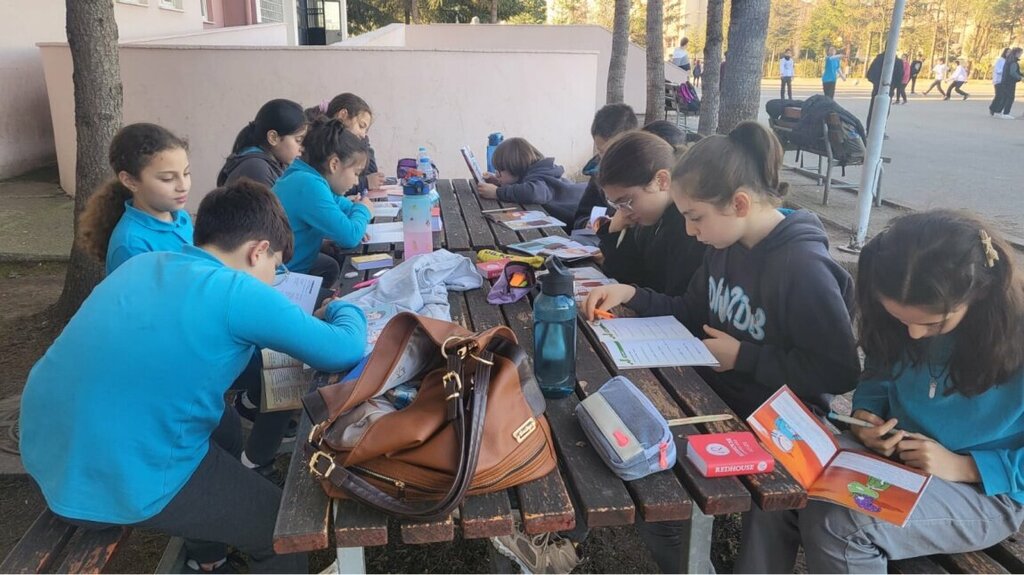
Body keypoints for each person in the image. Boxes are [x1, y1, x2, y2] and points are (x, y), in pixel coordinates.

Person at [20, 179, 369, 574]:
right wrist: (348, 307)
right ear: (258, 252)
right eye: (276, 267)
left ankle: (208, 559)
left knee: (223, 421)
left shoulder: (145, 263)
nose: (276, 279)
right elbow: (345, 348)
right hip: (112, 482)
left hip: (49, 456)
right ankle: (230, 547)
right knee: (282, 529)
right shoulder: (237, 291)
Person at [583, 122, 859, 574]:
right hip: (716, 394)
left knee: (709, 501)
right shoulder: (722, 247)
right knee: (641, 467)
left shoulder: (804, 266)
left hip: (781, 418)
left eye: (695, 217)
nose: (690, 232)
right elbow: (691, 309)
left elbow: (839, 371)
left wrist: (745, 357)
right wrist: (631, 294)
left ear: (740, 203)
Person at [736, 210, 1024, 574]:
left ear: (980, 294)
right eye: (902, 320)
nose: (914, 335)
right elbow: (878, 372)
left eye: (933, 323)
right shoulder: (895, 320)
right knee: (782, 483)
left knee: (840, 526)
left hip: (986, 491)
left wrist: (967, 467)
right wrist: (865, 417)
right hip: (894, 461)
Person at [594, 123, 706, 297]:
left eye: (626, 201)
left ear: (661, 181)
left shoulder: (690, 227)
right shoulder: (647, 218)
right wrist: (614, 233)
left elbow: (676, 300)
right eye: (616, 205)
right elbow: (627, 278)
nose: (623, 212)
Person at [273, 118, 374, 295]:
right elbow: (350, 236)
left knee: (329, 267)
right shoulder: (308, 185)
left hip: (291, 268)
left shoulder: (305, 175)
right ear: (334, 164)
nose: (357, 181)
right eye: (356, 173)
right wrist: (363, 210)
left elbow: (346, 207)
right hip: (280, 282)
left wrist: (356, 211)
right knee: (342, 304)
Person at [79, 123, 192, 275]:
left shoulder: (181, 217)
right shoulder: (131, 244)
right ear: (130, 181)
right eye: (167, 178)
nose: (183, 186)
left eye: (186, 173)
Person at [475, 137, 585, 226]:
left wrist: (497, 192)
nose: (497, 174)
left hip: (582, 217)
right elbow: (523, 184)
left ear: (516, 167)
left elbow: (534, 193)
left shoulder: (540, 177)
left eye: (500, 170)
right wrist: (498, 181)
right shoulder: (535, 173)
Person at [572, 103, 639, 232]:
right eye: (601, 151)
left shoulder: (643, 177)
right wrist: (589, 223)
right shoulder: (598, 173)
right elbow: (580, 218)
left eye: (614, 150)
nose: (607, 159)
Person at [217, 99, 307, 189]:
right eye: (298, 140)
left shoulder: (276, 164)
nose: (303, 148)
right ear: (273, 138)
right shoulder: (257, 168)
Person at [306, 93, 385, 194]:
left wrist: (363, 141)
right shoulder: (322, 145)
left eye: (366, 130)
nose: (363, 135)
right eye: (361, 126)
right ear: (343, 115)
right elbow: (335, 185)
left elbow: (371, 170)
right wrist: (365, 182)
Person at [996, 47, 1023, 119]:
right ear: (1017, 53)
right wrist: (1021, 78)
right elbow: (1013, 72)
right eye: (1020, 53)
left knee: (1004, 97)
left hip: (1005, 81)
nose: (1021, 55)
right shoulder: (1013, 62)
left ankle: (998, 111)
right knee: (1010, 97)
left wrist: (1021, 74)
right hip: (1010, 83)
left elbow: (1016, 72)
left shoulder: (1009, 60)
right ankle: (1006, 113)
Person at [990, 48, 1011, 117]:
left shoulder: (1008, 61)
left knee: (1002, 96)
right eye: (1007, 52)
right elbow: (998, 70)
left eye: (1010, 53)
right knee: (999, 95)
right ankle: (993, 108)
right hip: (998, 81)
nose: (1009, 54)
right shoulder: (1000, 60)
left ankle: (996, 109)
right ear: (1004, 53)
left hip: (1004, 81)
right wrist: (1005, 72)